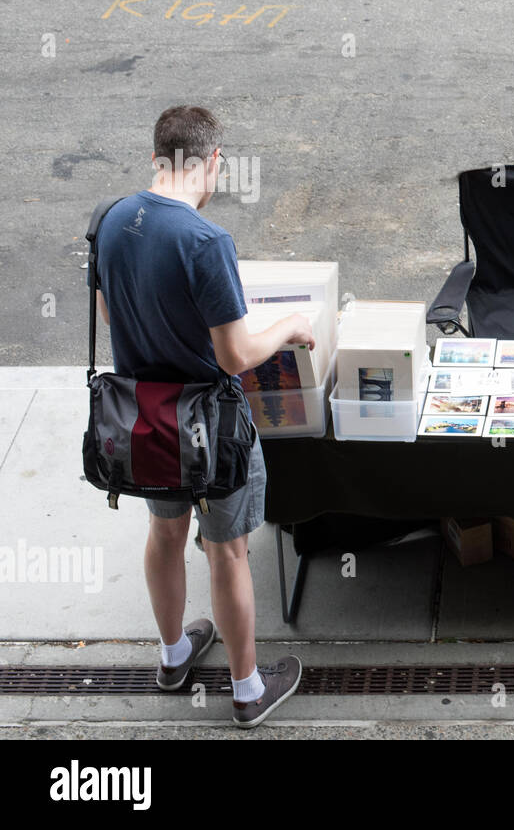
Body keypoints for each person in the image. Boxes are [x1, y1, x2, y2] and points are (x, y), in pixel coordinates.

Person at [92, 105, 314, 729]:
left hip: (143, 423)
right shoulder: (205, 241)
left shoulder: (109, 221)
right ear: (213, 162)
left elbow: (111, 316)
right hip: (209, 431)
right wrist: (291, 326)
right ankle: (247, 691)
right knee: (228, 552)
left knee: (165, 534)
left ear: (157, 158)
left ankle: (173, 656)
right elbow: (236, 355)